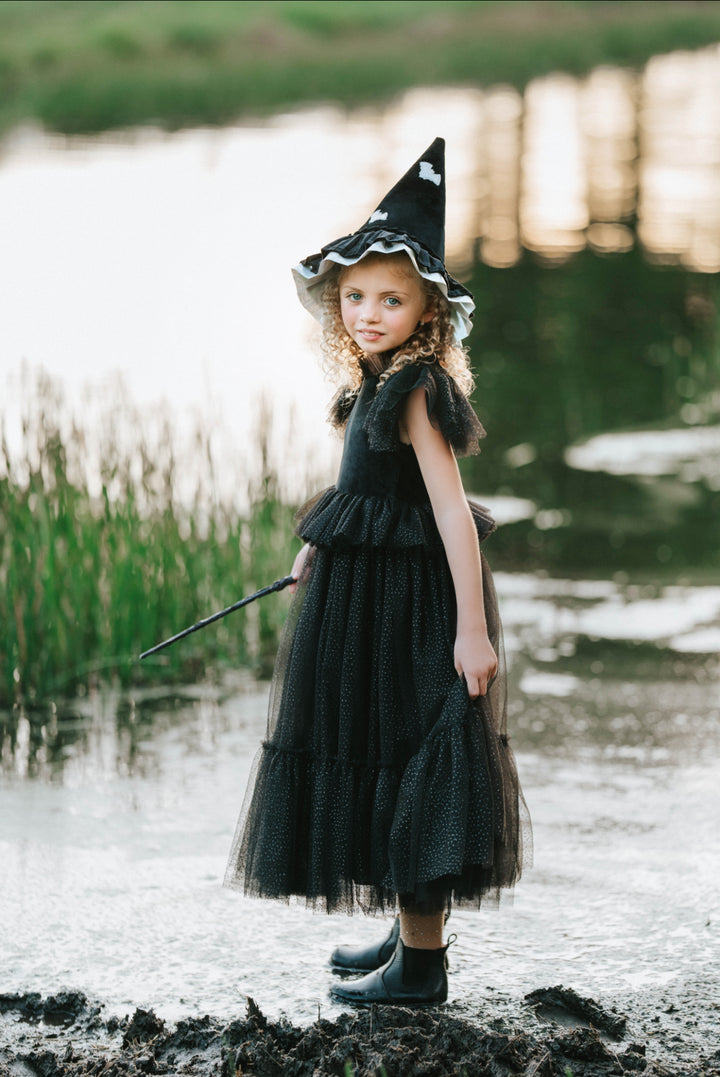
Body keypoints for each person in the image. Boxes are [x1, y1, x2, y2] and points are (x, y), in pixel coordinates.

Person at [225, 137, 530, 1005]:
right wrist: (316, 543)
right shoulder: (370, 384)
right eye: (353, 296)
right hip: (364, 593)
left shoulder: (419, 392)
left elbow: (448, 515)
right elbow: (366, 487)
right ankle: (406, 940)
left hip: (415, 605)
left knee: (416, 760)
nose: (367, 311)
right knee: (377, 750)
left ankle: (422, 968)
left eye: (390, 299)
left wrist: (471, 630)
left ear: (427, 310)